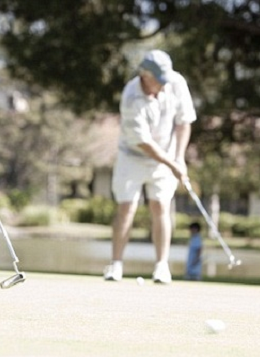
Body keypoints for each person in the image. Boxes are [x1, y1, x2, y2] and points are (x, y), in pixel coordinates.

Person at [104, 50, 197, 284]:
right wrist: (171, 163)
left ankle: (161, 267)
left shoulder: (176, 82)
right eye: (159, 80)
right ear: (145, 76)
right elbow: (143, 142)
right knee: (127, 207)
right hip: (133, 156)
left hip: (167, 153)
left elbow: (184, 122)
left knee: (161, 206)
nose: (164, 85)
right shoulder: (131, 97)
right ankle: (116, 265)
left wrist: (180, 157)